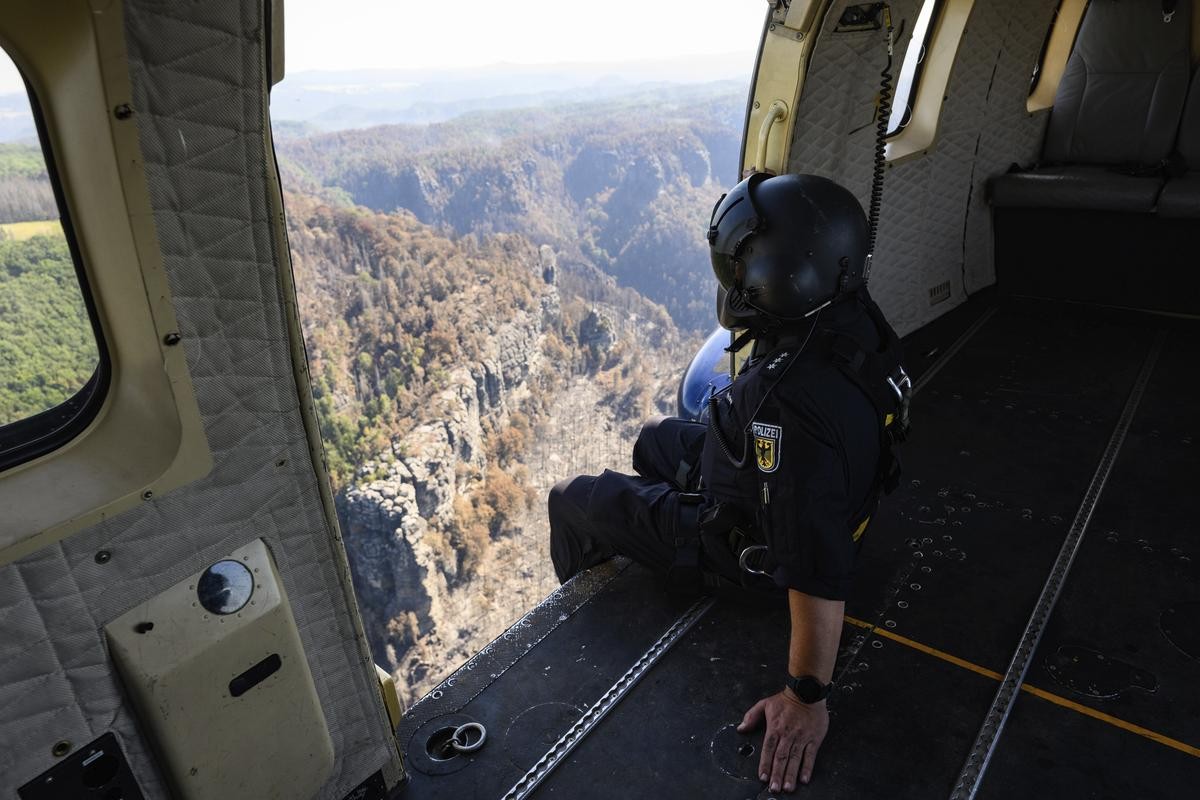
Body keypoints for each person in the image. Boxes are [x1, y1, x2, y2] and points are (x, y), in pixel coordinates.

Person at [547, 172, 910, 794]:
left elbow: (815, 561)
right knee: (654, 437)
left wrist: (805, 697)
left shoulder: (783, 405)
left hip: (741, 540)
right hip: (772, 480)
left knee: (576, 499)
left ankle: (612, 599)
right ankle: (651, 523)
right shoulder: (853, 318)